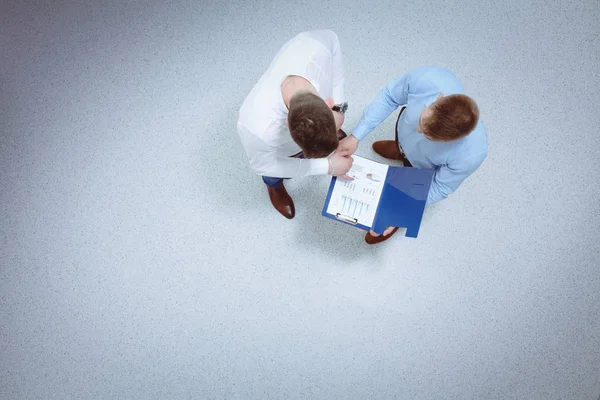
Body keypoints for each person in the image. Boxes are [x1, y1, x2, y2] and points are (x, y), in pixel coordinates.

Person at [338, 66, 488, 244]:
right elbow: (390, 97)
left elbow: (440, 187)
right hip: (403, 136)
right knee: (405, 141)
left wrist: (399, 210)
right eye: (422, 122)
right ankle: (400, 151)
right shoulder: (429, 78)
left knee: (388, 214)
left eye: (428, 135)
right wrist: (356, 136)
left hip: (423, 169)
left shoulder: (471, 154)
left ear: (455, 140)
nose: (418, 130)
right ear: (439, 98)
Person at [238, 30, 353, 219]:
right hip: (279, 153)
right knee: (273, 175)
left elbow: (333, 41)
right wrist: (328, 167)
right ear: (286, 125)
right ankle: (274, 187)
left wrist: (340, 109)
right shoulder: (256, 126)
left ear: (329, 103)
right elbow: (265, 165)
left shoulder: (315, 46)